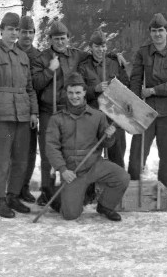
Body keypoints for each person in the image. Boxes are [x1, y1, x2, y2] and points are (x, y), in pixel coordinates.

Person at [31, 20, 127, 206]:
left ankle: (71, 190)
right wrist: (50, 71)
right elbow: (35, 84)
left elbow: (97, 53)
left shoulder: (76, 55)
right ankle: (47, 192)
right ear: (50, 39)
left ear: (68, 38)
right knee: (49, 152)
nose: (60, 42)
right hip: (48, 111)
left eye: (63, 38)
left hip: (70, 110)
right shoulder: (42, 59)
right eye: (56, 38)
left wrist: (116, 55)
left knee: (74, 152)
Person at [0, 12, 38, 218]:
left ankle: (13, 195)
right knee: (0, 159)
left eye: (16, 29)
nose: (14, 33)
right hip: (1, 117)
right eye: (10, 29)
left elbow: (29, 88)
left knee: (21, 160)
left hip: (22, 116)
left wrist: (33, 112)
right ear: (1, 30)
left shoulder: (22, 56)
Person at [45, 72, 130, 221]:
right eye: (70, 93)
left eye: (78, 92)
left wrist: (109, 136)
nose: (74, 96)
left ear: (84, 92)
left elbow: (105, 143)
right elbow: (51, 147)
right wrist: (63, 170)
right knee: (70, 215)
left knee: (122, 177)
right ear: (66, 93)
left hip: (94, 164)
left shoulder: (98, 116)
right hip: (73, 170)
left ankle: (105, 206)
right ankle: (58, 197)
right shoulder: (57, 118)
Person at [127, 13, 167, 208]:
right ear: (150, 33)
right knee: (137, 152)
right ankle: (133, 189)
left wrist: (153, 90)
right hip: (145, 111)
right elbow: (135, 79)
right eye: (154, 31)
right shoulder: (143, 53)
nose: (157, 34)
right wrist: (137, 102)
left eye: (161, 30)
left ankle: (163, 193)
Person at [79, 30, 130, 167]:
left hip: (114, 118)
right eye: (97, 46)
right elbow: (79, 92)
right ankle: (92, 187)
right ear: (91, 47)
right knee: (92, 157)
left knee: (117, 157)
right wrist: (94, 89)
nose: (100, 49)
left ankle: (117, 185)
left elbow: (127, 86)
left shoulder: (115, 64)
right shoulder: (84, 67)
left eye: (103, 46)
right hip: (93, 117)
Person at [15, 15, 41, 203]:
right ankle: (12, 189)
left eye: (30, 32)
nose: (27, 35)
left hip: (31, 110)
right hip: (12, 109)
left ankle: (23, 187)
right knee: (13, 152)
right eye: (24, 31)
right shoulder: (9, 52)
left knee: (30, 152)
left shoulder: (38, 56)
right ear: (18, 32)